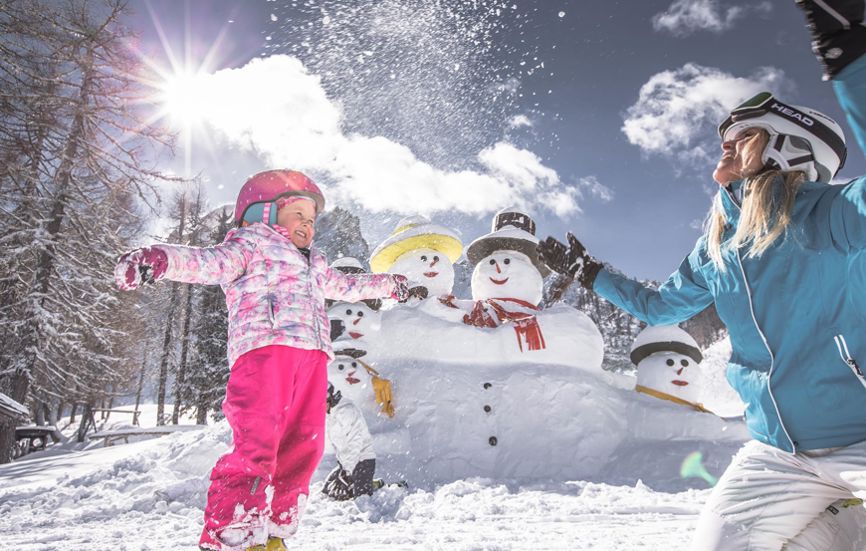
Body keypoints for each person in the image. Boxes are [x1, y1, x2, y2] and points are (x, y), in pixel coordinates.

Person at [537, 2, 866, 549]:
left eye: (744, 134)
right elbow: (661, 307)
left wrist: (852, 57)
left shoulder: (833, 212)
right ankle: (843, 522)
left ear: (787, 148)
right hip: (779, 452)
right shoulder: (717, 246)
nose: (724, 144)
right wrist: (587, 272)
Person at [114, 169, 409, 551]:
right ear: (265, 214)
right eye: (297, 214)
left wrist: (389, 284)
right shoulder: (250, 243)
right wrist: (160, 259)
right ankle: (235, 533)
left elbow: (348, 286)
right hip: (264, 351)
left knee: (306, 447)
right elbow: (207, 263)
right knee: (258, 444)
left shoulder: (315, 263)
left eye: (311, 219)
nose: (307, 224)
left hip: (313, 358)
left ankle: (275, 532)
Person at [322, 382, 379, 501]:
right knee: (327, 492)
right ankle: (370, 483)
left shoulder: (346, 411)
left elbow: (355, 443)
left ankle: (381, 487)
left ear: (329, 398)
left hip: (362, 461)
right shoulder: (330, 413)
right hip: (346, 463)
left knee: (361, 498)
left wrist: (349, 471)